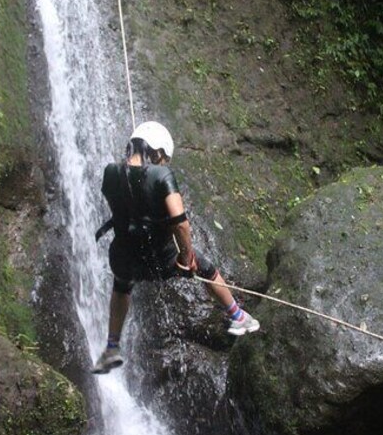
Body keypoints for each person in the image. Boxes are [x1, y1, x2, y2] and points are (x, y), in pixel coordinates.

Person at [92, 121, 260, 374]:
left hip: (123, 257)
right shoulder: (161, 176)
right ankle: (237, 316)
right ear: (157, 151)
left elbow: (122, 206)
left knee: (121, 285)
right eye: (164, 158)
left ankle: (112, 346)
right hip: (160, 257)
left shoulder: (110, 172)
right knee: (205, 268)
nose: (163, 164)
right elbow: (180, 223)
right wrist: (186, 258)